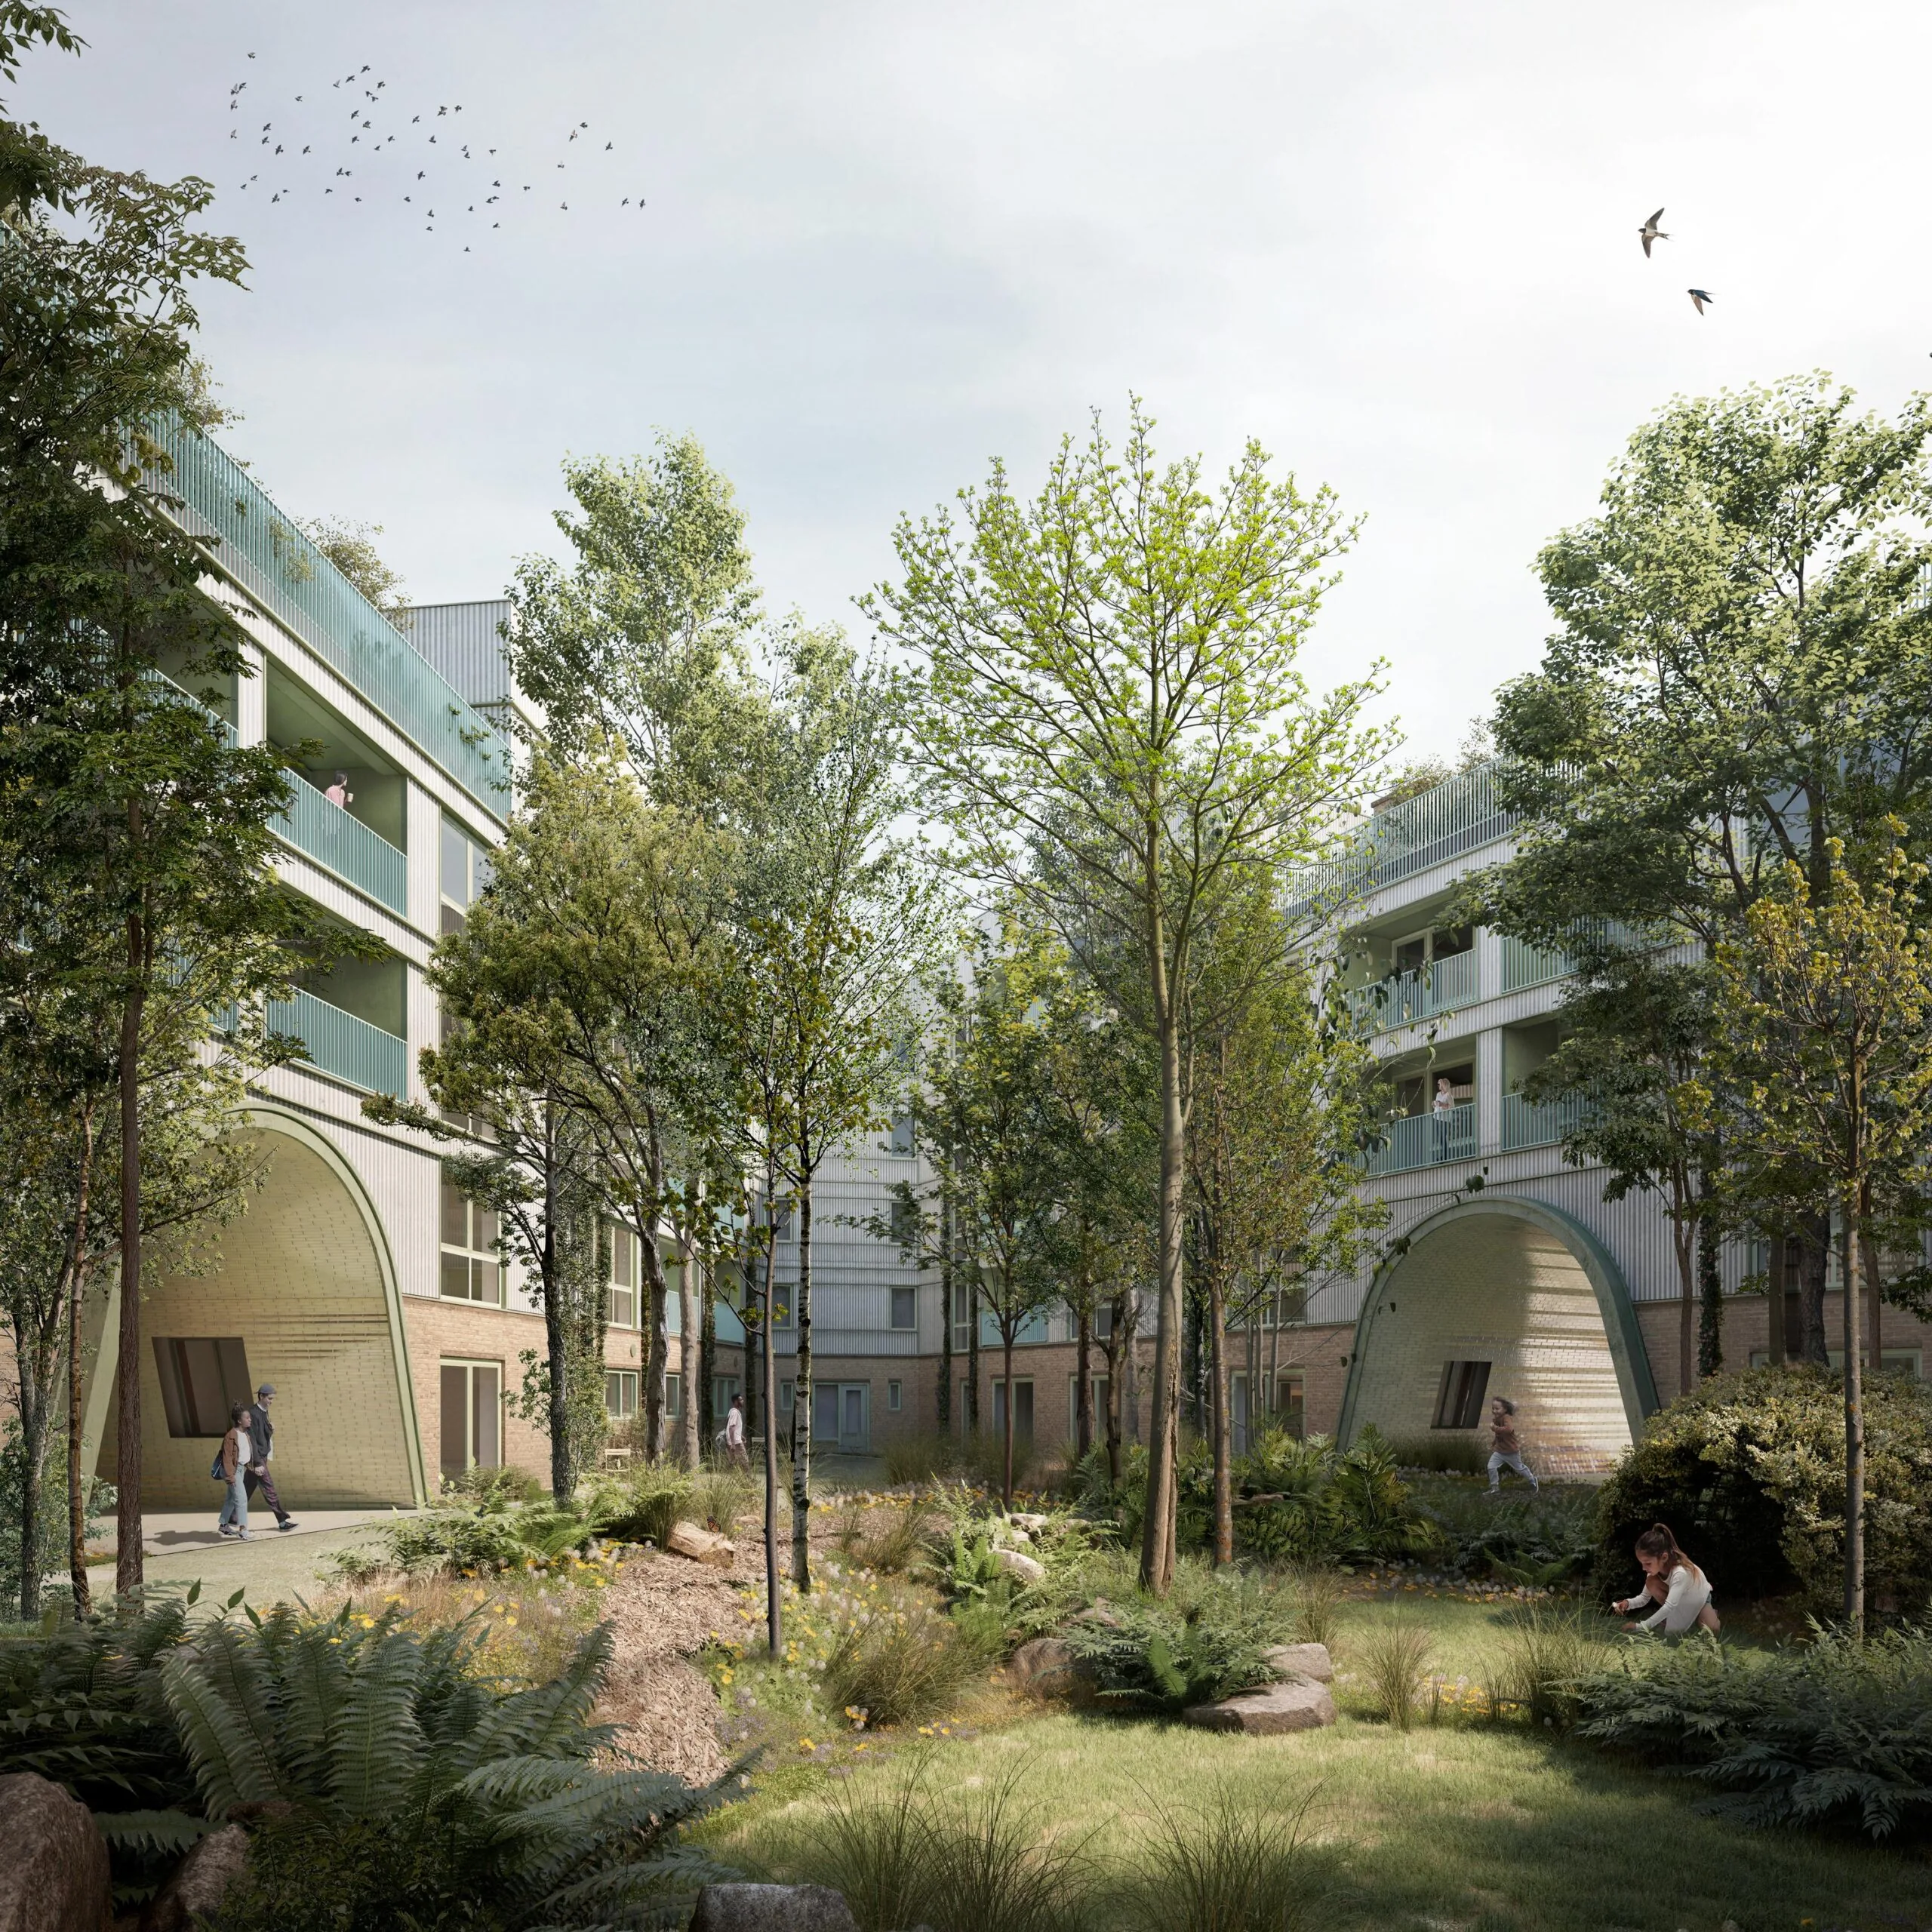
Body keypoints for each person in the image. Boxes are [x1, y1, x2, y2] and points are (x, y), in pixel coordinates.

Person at [1613, 1521, 1721, 1634]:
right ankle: (1678, 1619)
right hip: (1680, 1601)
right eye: (1642, 1563)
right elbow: (1644, 1598)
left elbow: (1669, 1606)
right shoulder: (1654, 1571)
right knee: (1651, 1582)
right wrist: (1627, 1603)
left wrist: (1640, 1626)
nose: (1643, 1568)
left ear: (1664, 1557)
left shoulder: (1680, 1573)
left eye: (1648, 1563)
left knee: (1712, 1630)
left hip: (1698, 1599)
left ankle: (1708, 1614)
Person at [244, 1382, 299, 1532]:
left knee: (245, 1490)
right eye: (270, 1399)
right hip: (258, 1458)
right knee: (269, 1489)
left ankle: (228, 1520)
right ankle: (282, 1522)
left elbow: (263, 1435)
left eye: (273, 1399)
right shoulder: (253, 1414)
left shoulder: (263, 1411)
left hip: (262, 1456)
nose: (271, 1402)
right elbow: (252, 1439)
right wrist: (257, 1462)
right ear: (261, 1396)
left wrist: (270, 1428)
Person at [1485, 1395, 1539, 1494]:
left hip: (1511, 1452)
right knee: (1491, 1467)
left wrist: (1494, 1429)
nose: (1494, 1411)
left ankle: (1532, 1480)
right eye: (1493, 1408)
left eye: (1497, 1409)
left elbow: (1508, 1430)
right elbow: (1499, 1435)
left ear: (1505, 1409)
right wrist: (1494, 1443)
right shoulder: (1496, 1420)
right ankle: (1495, 1488)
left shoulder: (1507, 1418)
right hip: (1499, 1451)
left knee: (1520, 1469)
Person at [217, 1402, 254, 1541]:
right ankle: (243, 1530)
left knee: (231, 1499)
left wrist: (251, 1467)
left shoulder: (246, 1434)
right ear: (239, 1420)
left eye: (250, 1418)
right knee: (241, 1499)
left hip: (241, 1469)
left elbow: (244, 1455)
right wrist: (230, 1476)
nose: (250, 1420)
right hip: (232, 1470)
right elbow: (227, 1458)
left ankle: (224, 1525)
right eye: (247, 1418)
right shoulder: (231, 1436)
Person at [722, 1392, 749, 1469]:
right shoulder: (735, 1412)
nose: (743, 1401)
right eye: (741, 1400)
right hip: (736, 1442)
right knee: (745, 1461)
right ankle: (748, 1479)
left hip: (733, 1440)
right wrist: (733, 1444)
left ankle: (730, 1479)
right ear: (736, 1401)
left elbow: (731, 1427)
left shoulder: (732, 1412)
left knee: (733, 1463)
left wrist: (741, 1436)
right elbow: (731, 1427)